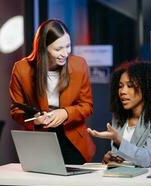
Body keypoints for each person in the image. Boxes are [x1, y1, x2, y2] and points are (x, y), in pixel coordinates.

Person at [9, 19, 95, 164]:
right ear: (43, 48)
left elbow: (87, 105)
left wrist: (66, 113)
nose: (65, 53)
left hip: (73, 140)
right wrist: (34, 120)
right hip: (40, 139)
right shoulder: (21, 69)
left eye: (68, 46)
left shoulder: (79, 64)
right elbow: (16, 111)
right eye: (58, 49)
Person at [87, 61, 151, 167]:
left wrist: (118, 139)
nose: (123, 91)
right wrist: (109, 159)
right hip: (120, 178)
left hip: (148, 180)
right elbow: (119, 155)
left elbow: (146, 159)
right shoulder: (119, 116)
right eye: (120, 86)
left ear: (145, 88)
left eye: (130, 85)